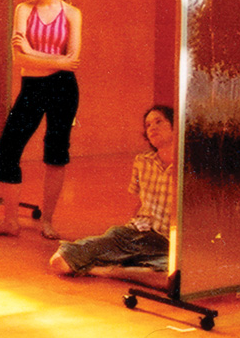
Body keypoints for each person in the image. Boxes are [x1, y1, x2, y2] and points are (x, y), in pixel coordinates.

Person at [0, 0, 82, 239]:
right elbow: (19, 58)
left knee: (56, 153)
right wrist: (56, 60)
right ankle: (10, 221)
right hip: (32, 87)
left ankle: (47, 221)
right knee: (7, 149)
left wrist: (32, 53)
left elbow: (73, 61)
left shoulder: (73, 14)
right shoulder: (24, 10)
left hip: (64, 88)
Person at [50, 105, 177, 277]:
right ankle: (127, 269)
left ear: (175, 127)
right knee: (59, 261)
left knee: (171, 278)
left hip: (169, 242)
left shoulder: (189, 167)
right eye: (148, 125)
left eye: (158, 122)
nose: (152, 128)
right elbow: (141, 203)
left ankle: (110, 270)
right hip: (137, 234)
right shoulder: (142, 162)